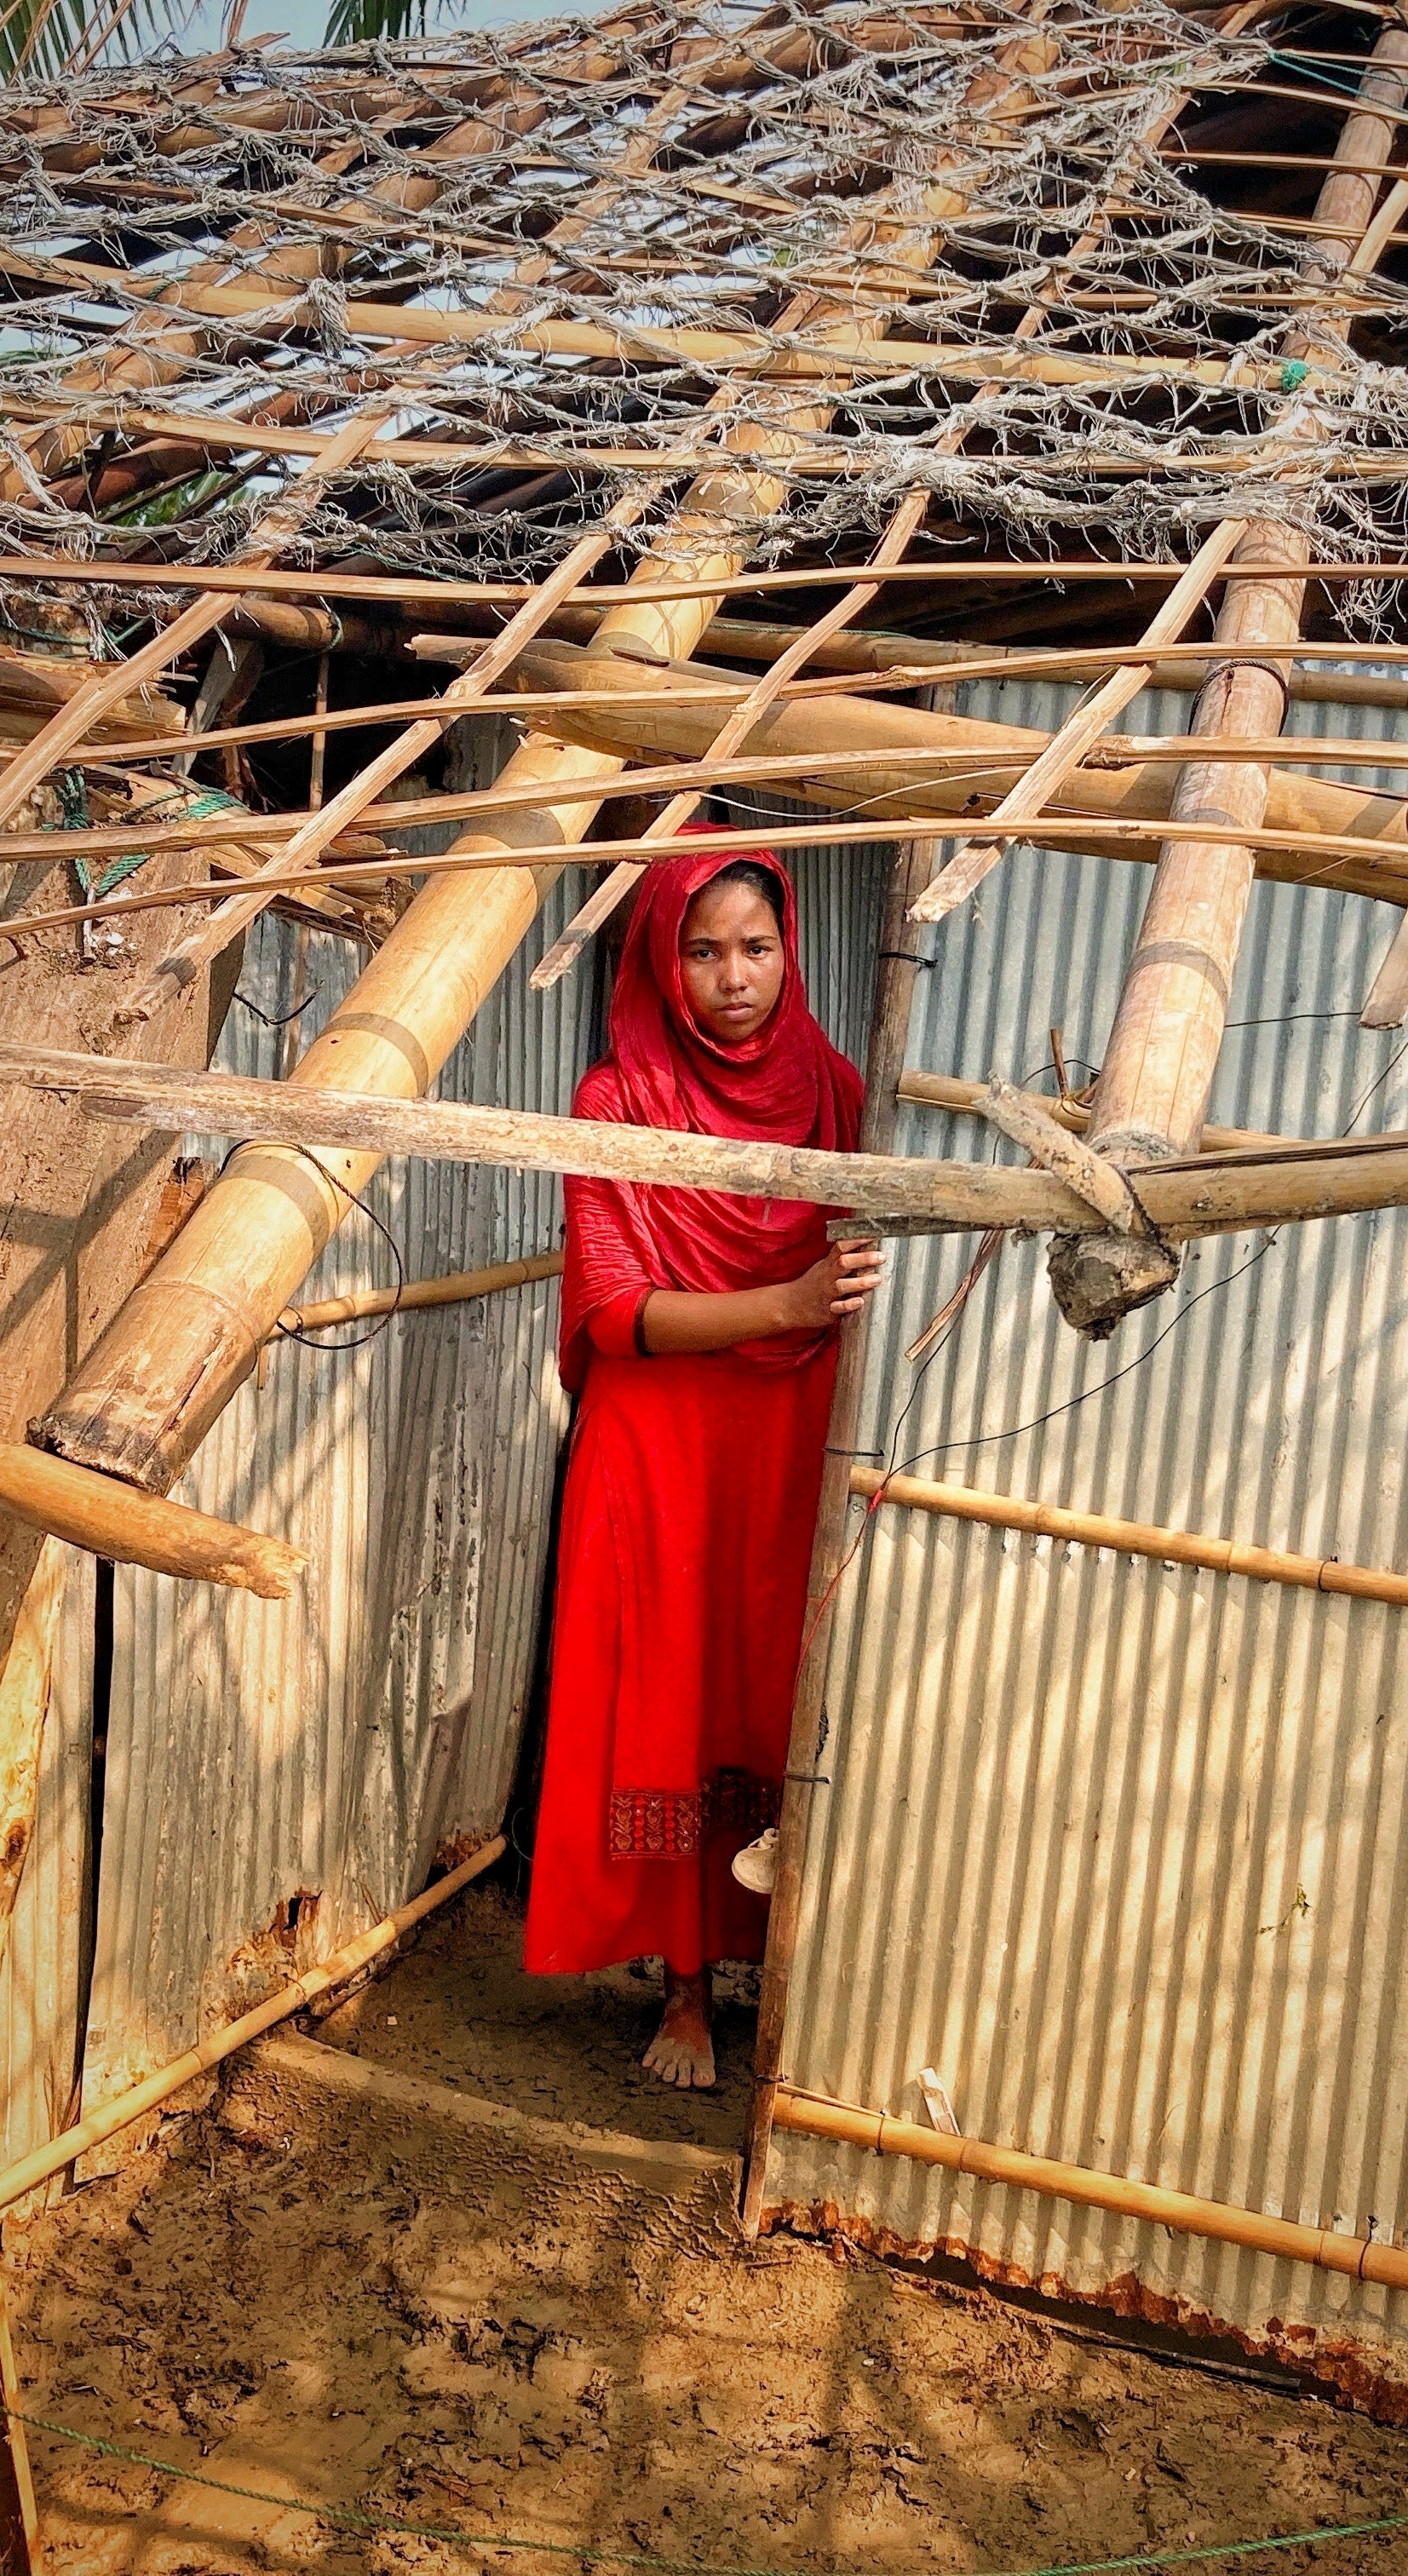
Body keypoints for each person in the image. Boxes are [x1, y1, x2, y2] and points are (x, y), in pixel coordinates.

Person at [523, 833, 880, 2088]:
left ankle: (770, 1972)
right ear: (662, 964)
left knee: (768, 1686)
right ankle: (683, 1990)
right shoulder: (612, 1103)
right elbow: (616, 1310)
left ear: (791, 953)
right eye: (704, 949)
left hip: (790, 1435)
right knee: (663, 1693)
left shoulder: (842, 1090)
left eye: (757, 948)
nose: (735, 975)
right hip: (660, 1433)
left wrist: (820, 1301)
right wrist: (785, 1305)